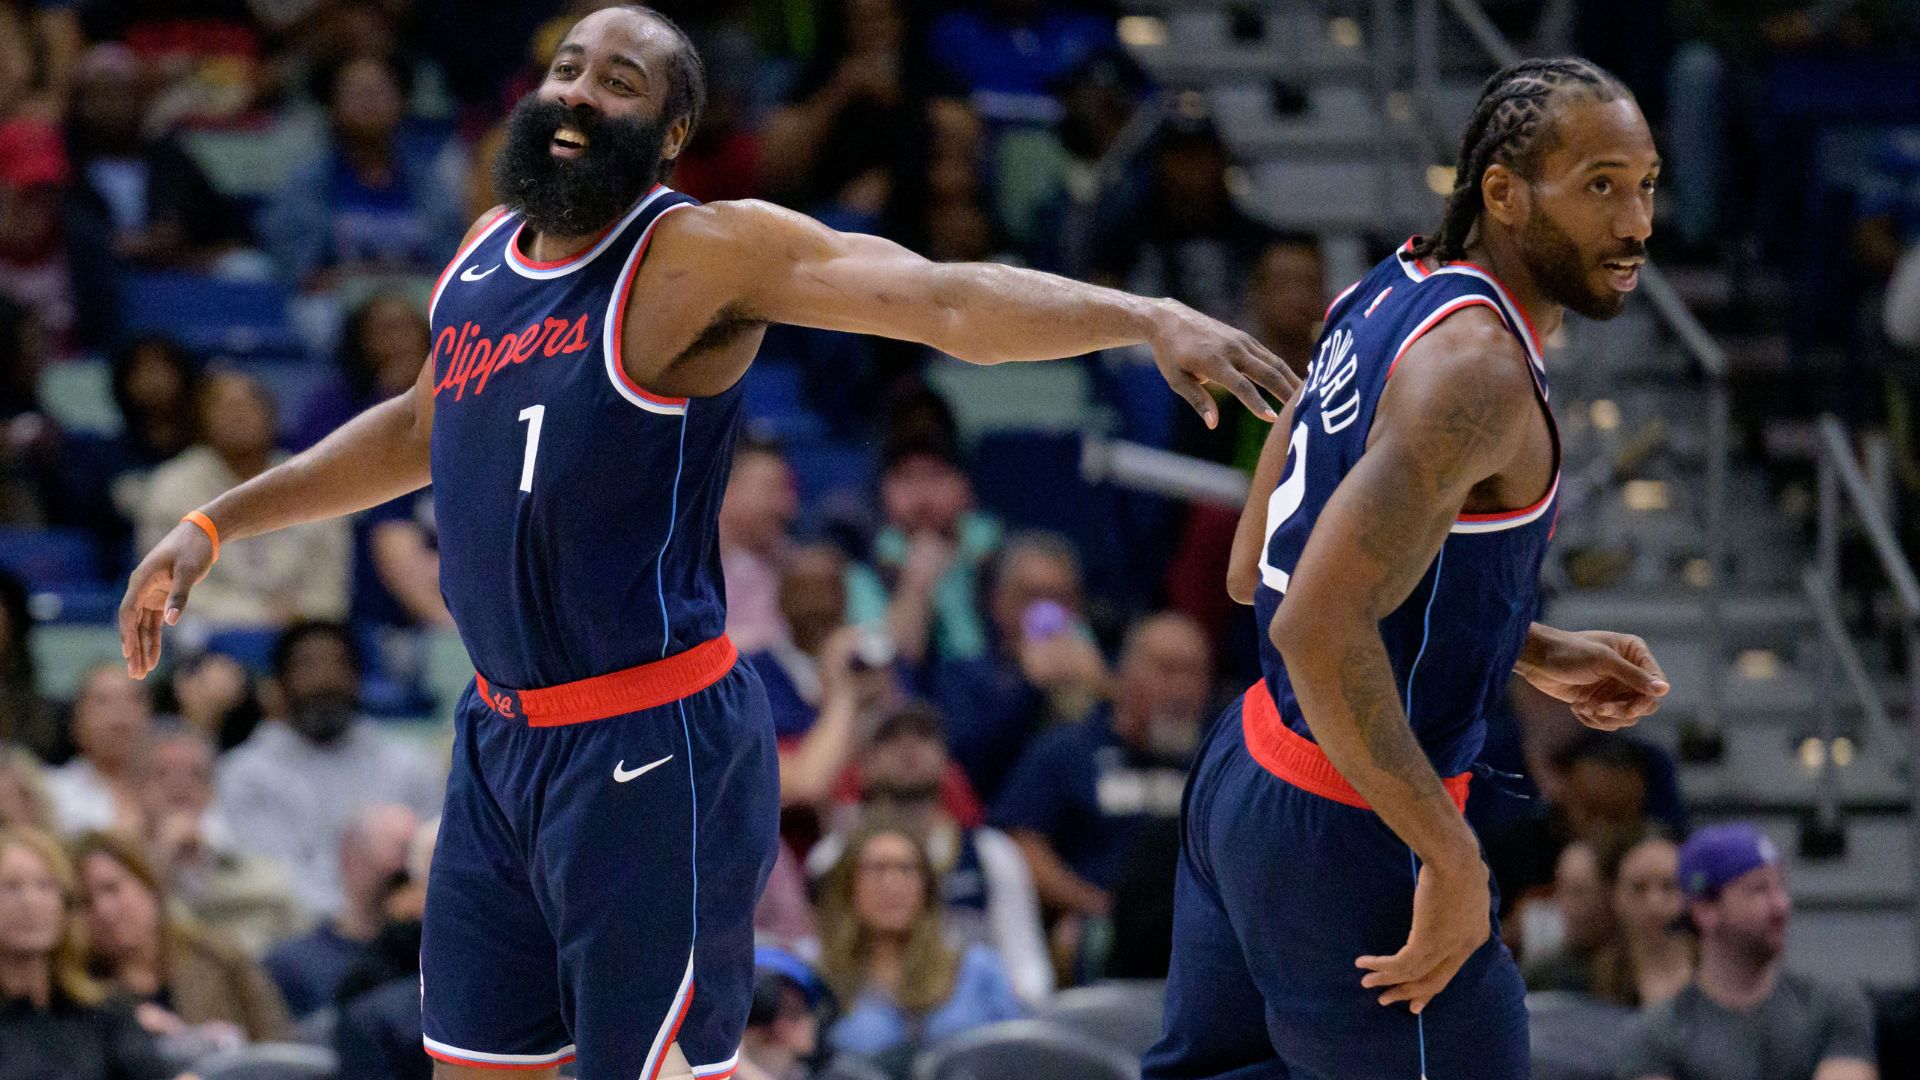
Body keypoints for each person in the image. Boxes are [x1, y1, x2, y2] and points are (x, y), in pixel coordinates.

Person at [115, 7, 1295, 1077]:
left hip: (648, 740)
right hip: (497, 743)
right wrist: (220, 519)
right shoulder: (482, 255)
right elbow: (425, 422)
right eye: (567, 68)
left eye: (618, 82)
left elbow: (942, 301)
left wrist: (1139, 315)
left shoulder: (699, 256)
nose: (577, 94)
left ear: (672, 133)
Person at [1145, 58, 1672, 1079]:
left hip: (1249, 775)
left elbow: (1263, 568)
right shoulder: (1478, 374)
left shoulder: (1386, 287)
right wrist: (1449, 852)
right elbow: (1314, 625)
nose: (1637, 223)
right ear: (1505, 193)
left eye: (1647, 184)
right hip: (1356, 831)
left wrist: (1525, 646)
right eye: (1600, 185)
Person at [809, 701, 1052, 1004]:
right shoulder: (831, 859)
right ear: (864, 763)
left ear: (947, 761)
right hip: (866, 1011)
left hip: (973, 1016)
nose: (909, 747)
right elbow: (823, 953)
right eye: (890, 737)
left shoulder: (992, 853)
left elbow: (1026, 960)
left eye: (924, 736)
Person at [993, 612, 1208, 934]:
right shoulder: (1069, 749)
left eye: (1194, 672)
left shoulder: (1217, 759)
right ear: (1126, 671)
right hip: (1099, 925)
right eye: (1167, 669)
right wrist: (1097, 907)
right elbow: (1023, 842)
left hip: (1198, 930)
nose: (1181, 688)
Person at [1617, 822, 1878, 1080]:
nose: (1781, 906)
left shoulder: (1831, 1007)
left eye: (1780, 887)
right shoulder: (1657, 1033)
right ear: (1705, 911)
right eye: (1759, 890)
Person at [216, 621, 443, 916]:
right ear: (280, 685)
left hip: (398, 929)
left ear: (358, 679)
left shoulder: (411, 765)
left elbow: (434, 863)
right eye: (307, 666)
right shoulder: (244, 774)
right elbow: (263, 871)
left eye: (338, 665)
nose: (324, 679)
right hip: (288, 929)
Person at [138, 371, 352, 627]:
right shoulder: (171, 486)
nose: (238, 414)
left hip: (300, 634)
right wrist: (258, 614)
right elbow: (167, 587)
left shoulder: (312, 483)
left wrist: (305, 615)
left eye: (249, 403)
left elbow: (330, 590)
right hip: (207, 634)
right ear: (201, 420)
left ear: (271, 415)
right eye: (224, 405)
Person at [817, 823, 1023, 1063]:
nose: (892, 884)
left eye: (906, 869)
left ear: (927, 887)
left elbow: (1018, 1060)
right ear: (848, 885)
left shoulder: (979, 969)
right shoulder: (822, 983)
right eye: (877, 869)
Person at [72, 829, 291, 1046]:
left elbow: (282, 1049)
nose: (103, 910)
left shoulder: (219, 957)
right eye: (86, 902)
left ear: (148, 883)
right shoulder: (85, 991)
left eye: (112, 888)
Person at [0, 825, 180, 1080]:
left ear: (65, 904)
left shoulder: (104, 1012)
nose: (31, 902)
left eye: (45, 886)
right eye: (10, 887)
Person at [136, 724, 302, 957]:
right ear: (136, 789)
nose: (180, 784)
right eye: (163, 772)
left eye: (195, 774)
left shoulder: (258, 871)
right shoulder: (121, 872)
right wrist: (162, 860)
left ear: (211, 790)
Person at [266, 802, 421, 1017]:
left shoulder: (430, 960)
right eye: (401, 852)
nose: (408, 878)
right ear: (349, 859)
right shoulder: (293, 965)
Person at [1590, 827, 1693, 1009]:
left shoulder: (1721, 973)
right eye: (1638, 888)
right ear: (1614, 896)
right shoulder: (1581, 978)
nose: (1654, 905)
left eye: (1669, 886)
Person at [47, 662, 154, 836]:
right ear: (77, 721)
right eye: (103, 701)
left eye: (132, 699)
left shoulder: (177, 789)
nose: (120, 715)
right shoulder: (51, 792)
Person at [720, 442, 798, 655]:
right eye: (771, 489)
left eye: (788, 490)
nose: (787, 505)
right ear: (725, 491)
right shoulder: (685, 575)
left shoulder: (795, 567)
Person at [1522, 839, 1616, 993]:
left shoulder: (1636, 975)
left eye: (1578, 892)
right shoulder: (1542, 976)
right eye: (1561, 889)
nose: (1565, 905)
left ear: (1610, 895)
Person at [739, 947, 828, 1080]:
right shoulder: (708, 1063)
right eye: (762, 1006)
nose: (776, 1024)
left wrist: (738, 1067)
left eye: (792, 1011)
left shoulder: (838, 1072)